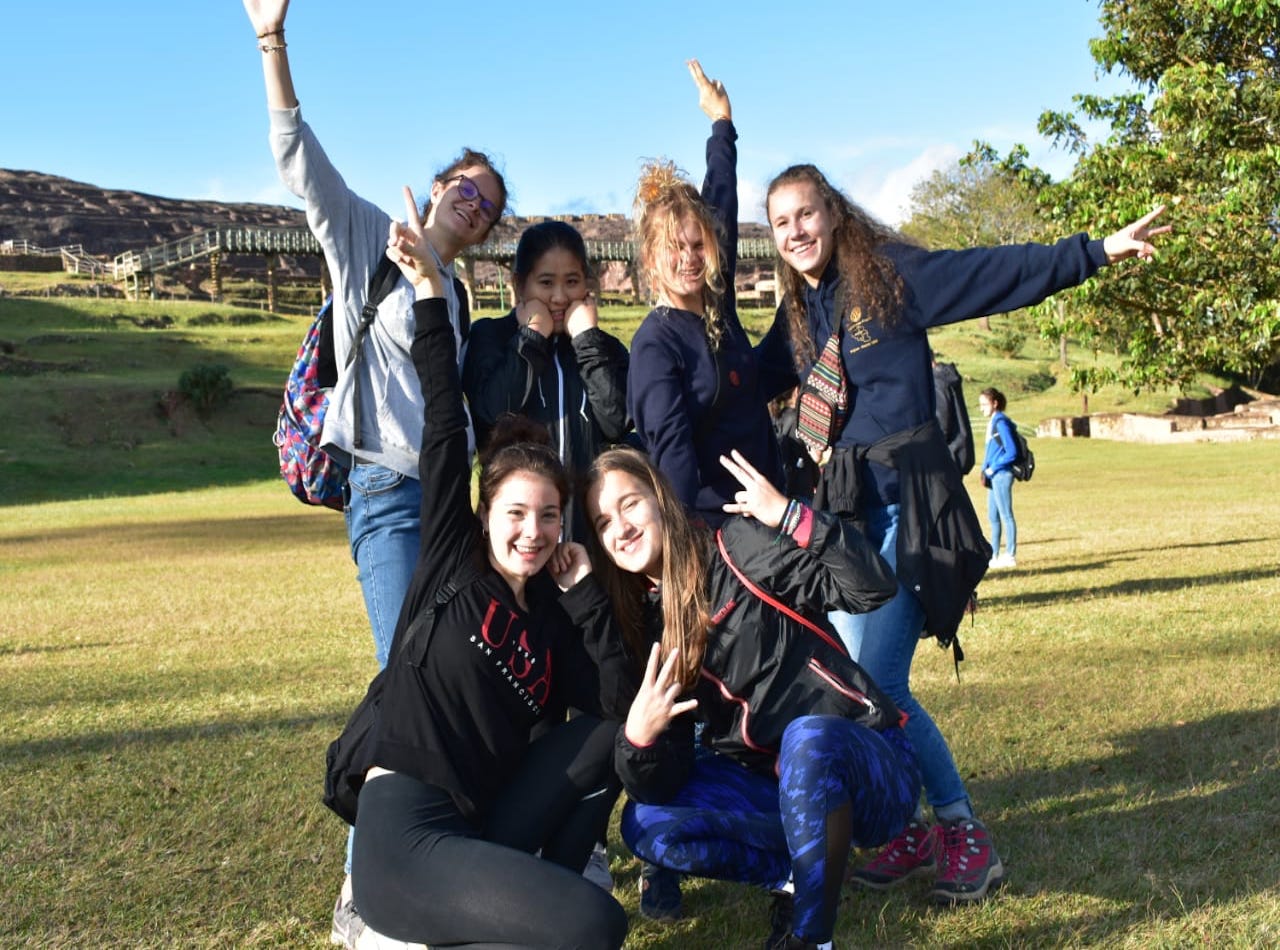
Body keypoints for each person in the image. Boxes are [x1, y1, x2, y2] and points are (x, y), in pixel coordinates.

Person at [764, 162, 1169, 904]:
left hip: (909, 507)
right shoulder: (801, 314)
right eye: (781, 222)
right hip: (848, 516)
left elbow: (994, 273)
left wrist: (1096, 250)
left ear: (834, 212)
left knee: (880, 684)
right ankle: (914, 827)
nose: (796, 232)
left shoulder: (890, 277)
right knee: (855, 686)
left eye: (806, 214)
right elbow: (740, 375)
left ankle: (963, 832)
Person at [241, 2, 508, 938]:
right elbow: (297, 159)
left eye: (487, 205)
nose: (473, 204)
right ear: (437, 186)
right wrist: (272, 42)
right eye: (466, 187)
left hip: (448, 506)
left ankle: (439, 853)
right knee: (406, 686)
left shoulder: (459, 297)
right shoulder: (367, 239)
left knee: (441, 679)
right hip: (387, 497)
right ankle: (366, 893)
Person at [342, 189, 635, 949]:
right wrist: (428, 291)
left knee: (608, 733)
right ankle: (405, 930)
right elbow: (445, 416)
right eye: (516, 513)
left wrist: (583, 596)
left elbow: (615, 704)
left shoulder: (550, 610)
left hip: (485, 826)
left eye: (548, 516)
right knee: (598, 925)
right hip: (409, 835)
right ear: (484, 514)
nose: (533, 533)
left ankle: (523, 897)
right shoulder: (452, 559)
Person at [582, 446, 920, 950]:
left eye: (629, 504)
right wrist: (639, 741)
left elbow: (872, 588)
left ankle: (810, 940)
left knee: (806, 739)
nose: (622, 527)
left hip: (868, 770)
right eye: (604, 522)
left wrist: (792, 518)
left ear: (660, 498)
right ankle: (794, 877)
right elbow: (663, 781)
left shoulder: (735, 548)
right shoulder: (650, 626)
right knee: (646, 823)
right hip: (774, 790)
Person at [627, 60, 795, 531]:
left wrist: (722, 124)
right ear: (650, 258)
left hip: (769, 512)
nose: (689, 258)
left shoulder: (716, 301)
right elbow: (673, 456)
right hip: (716, 530)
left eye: (697, 245)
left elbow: (720, 197)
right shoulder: (656, 344)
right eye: (674, 248)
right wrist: (686, 546)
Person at [463, 220, 631, 542]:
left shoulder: (603, 348)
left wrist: (587, 341)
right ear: (518, 284)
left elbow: (616, 422)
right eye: (545, 282)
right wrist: (531, 337)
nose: (559, 297)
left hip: (587, 536)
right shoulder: (490, 337)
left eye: (572, 282)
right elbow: (492, 415)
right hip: (520, 539)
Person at [978, 387, 1018, 568]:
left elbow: (1011, 451)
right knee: (993, 516)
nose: (982, 409)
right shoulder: (993, 422)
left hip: (1001, 474)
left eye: (984, 404)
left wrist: (993, 468)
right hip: (993, 476)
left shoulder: (1001, 423)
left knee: (1006, 515)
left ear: (995, 403)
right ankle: (993, 555)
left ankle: (1010, 554)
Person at [931, 350, 975, 476]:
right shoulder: (946, 378)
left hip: (946, 457)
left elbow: (941, 424)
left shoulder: (937, 382)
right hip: (956, 453)